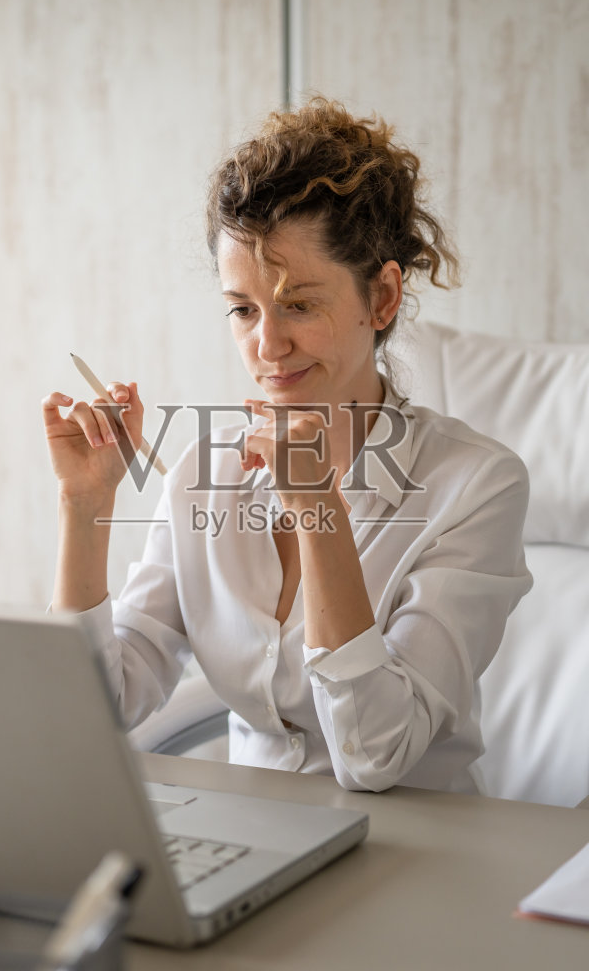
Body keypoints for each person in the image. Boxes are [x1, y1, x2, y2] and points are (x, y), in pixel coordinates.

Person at [42, 98, 531, 793]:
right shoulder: (202, 477)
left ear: (383, 297)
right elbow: (94, 711)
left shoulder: (477, 486)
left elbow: (376, 754)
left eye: (299, 303)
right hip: (260, 847)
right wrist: (83, 505)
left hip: (418, 856)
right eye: (243, 309)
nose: (267, 347)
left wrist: (317, 510)